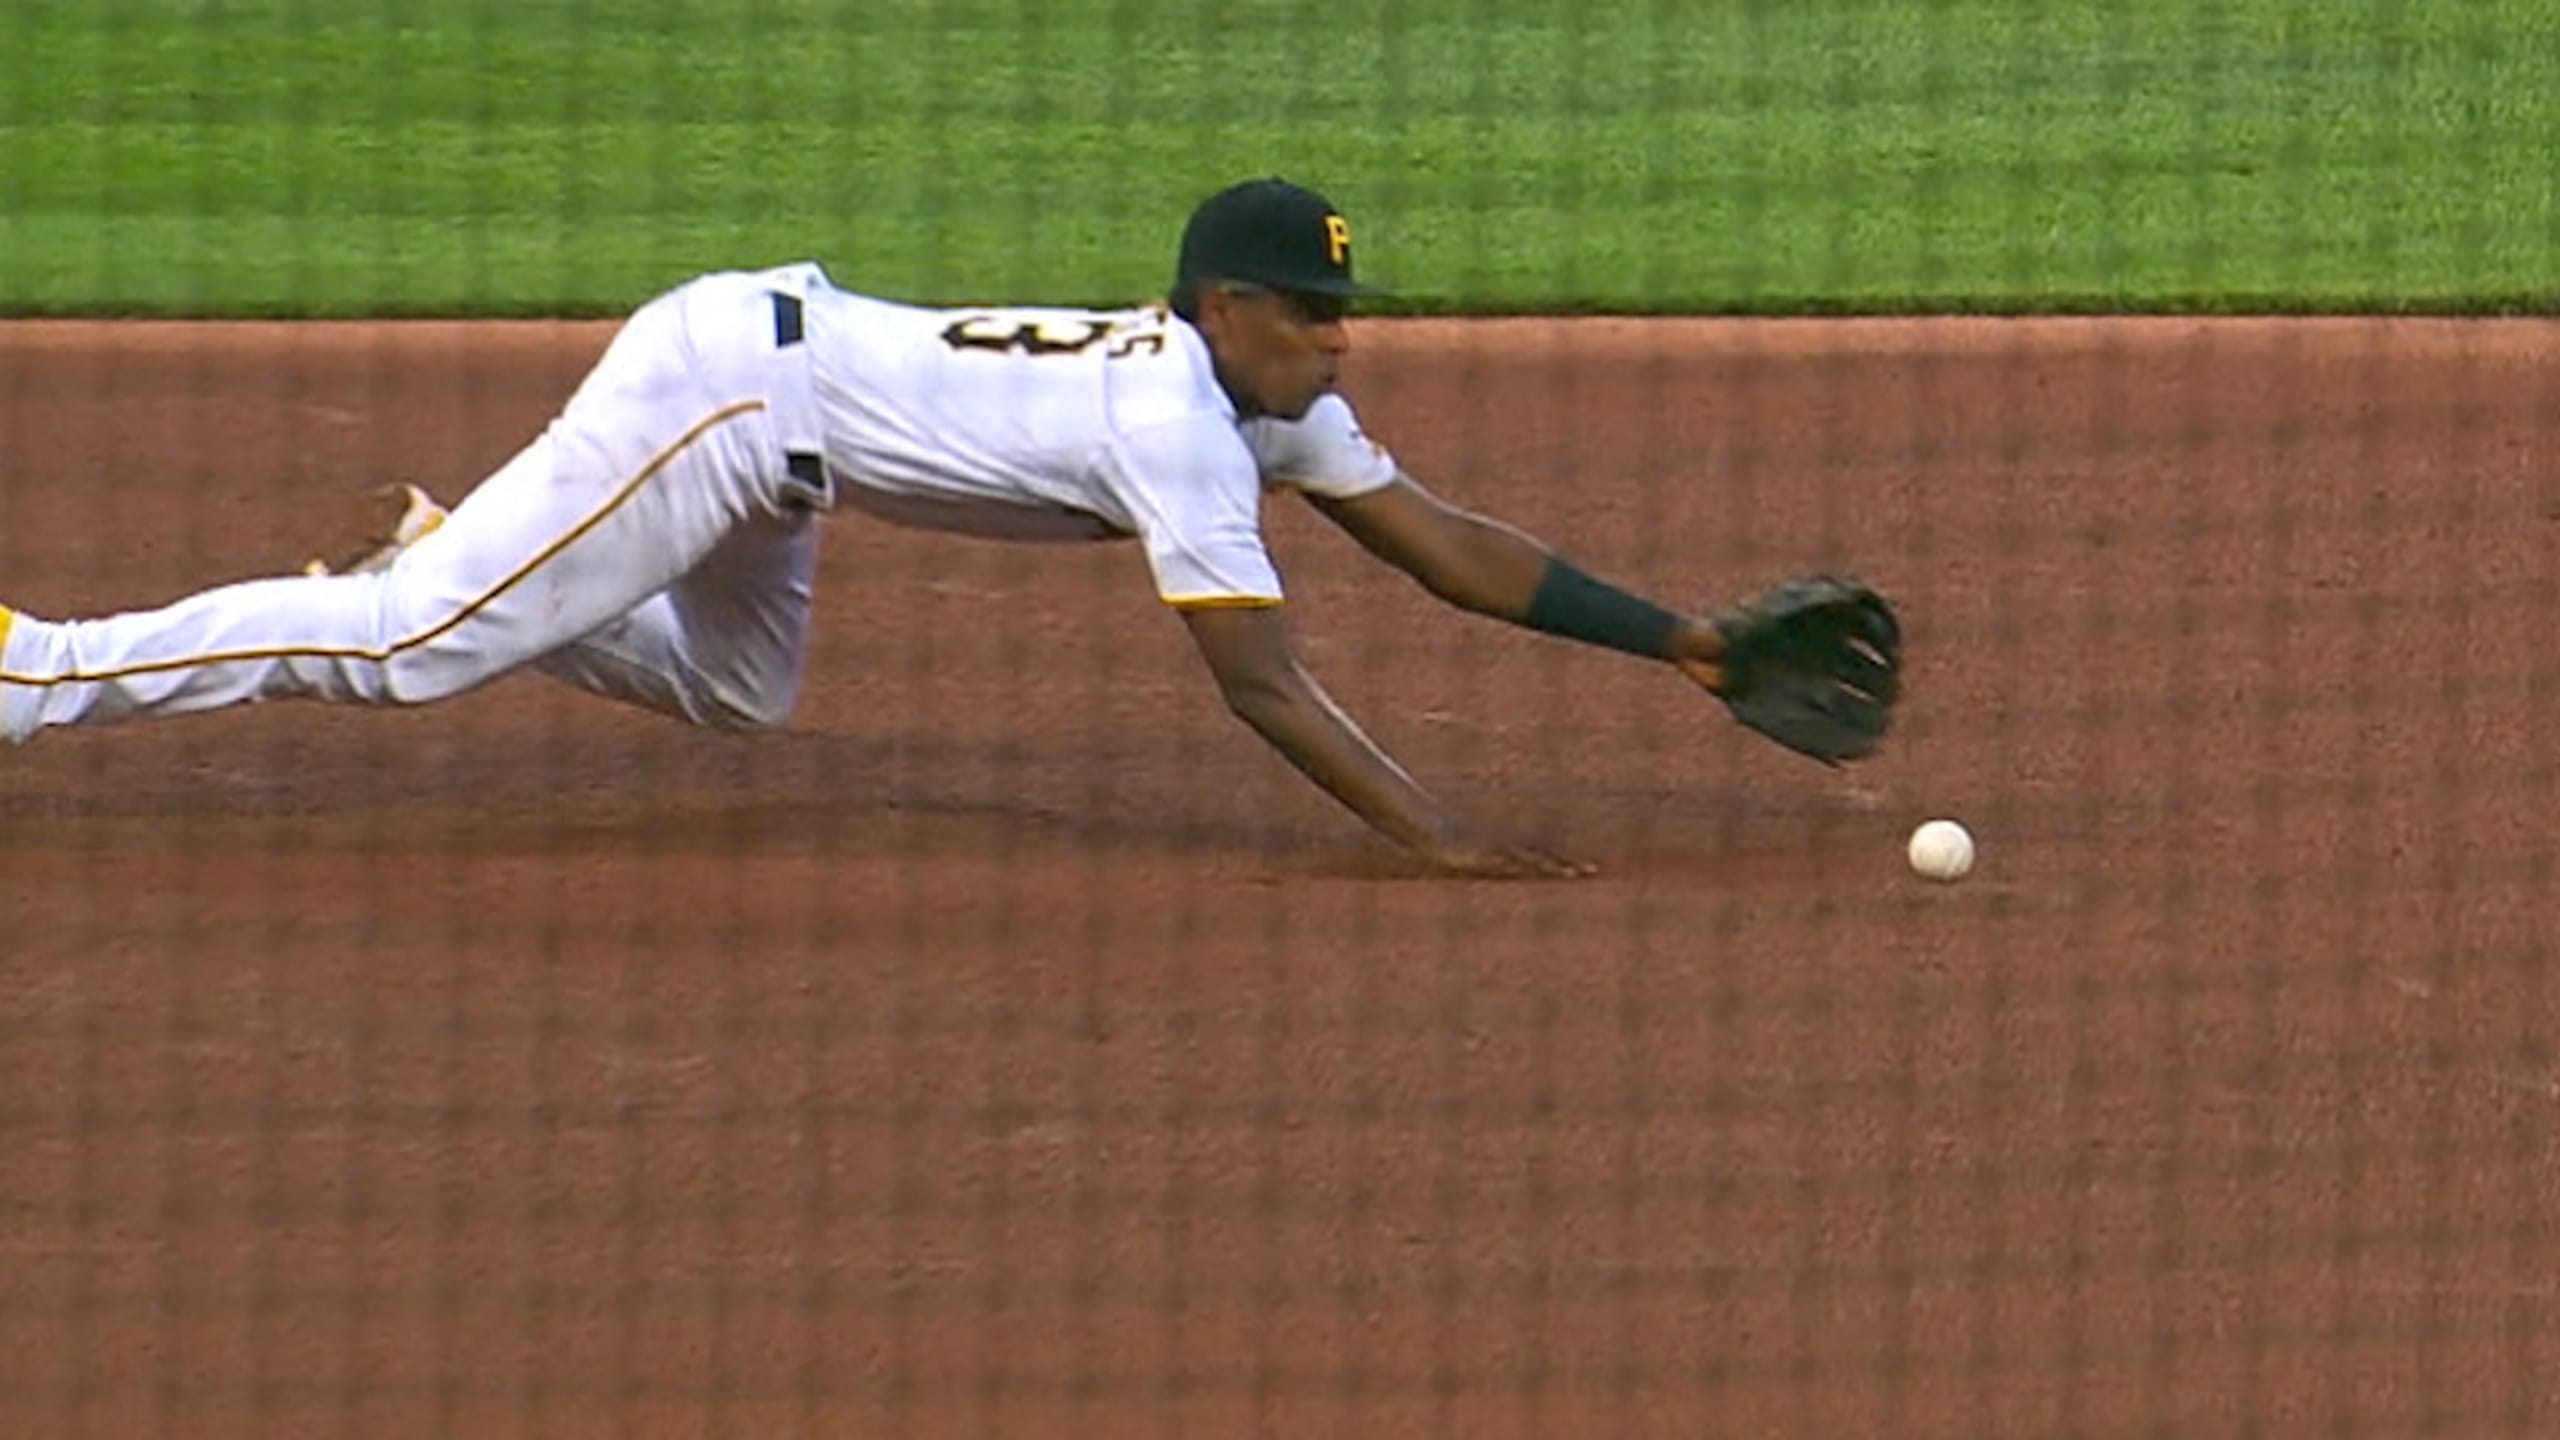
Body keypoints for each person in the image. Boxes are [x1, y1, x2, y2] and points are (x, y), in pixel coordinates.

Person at [0, 177, 1900, 878]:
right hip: (733, 398)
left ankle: (433, 535)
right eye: (1312, 310)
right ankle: (38, 667)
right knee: (417, 661)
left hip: (781, 414)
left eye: (1345, 311)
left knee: (740, 699)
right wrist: (1437, 839)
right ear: (1222, 310)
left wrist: (1689, 646)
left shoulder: (1260, 406)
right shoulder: (1180, 423)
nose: (1343, 335)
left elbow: (1443, 541)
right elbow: (1260, 682)